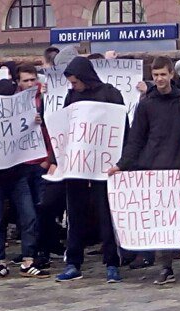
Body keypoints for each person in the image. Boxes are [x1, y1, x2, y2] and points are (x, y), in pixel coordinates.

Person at [115, 56, 180, 289]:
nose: (160, 79)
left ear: (172, 74)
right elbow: (136, 139)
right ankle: (165, 267)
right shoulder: (146, 104)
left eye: (164, 74)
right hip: (154, 170)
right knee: (161, 223)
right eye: (156, 75)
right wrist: (122, 165)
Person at [53, 56, 127, 283]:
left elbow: (122, 128)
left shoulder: (110, 94)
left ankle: (112, 262)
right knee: (75, 215)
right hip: (78, 166)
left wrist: (121, 162)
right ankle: (73, 262)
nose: (72, 87)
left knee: (106, 215)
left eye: (75, 82)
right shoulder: (72, 96)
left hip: (103, 167)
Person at [0, 77, 44, 278]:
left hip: (17, 174)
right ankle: (0, 262)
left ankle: (28, 260)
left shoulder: (21, 112)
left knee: (28, 216)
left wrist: (35, 123)